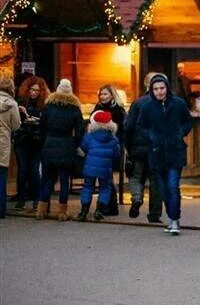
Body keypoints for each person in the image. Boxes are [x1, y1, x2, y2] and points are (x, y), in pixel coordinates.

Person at [136, 73, 193, 235]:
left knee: (173, 186)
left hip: (175, 151)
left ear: (167, 88)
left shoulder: (178, 104)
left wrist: (179, 133)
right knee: (163, 189)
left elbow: (188, 121)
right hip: (156, 153)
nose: (159, 92)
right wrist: (151, 136)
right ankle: (172, 215)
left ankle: (175, 220)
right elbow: (141, 126)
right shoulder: (147, 107)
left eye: (162, 88)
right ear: (151, 90)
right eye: (155, 89)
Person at [37, 78, 83, 221]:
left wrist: (44, 143)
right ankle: (62, 212)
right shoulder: (75, 108)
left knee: (48, 179)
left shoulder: (48, 106)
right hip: (66, 145)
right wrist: (75, 144)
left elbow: (42, 127)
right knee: (64, 180)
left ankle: (41, 211)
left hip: (49, 144)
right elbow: (80, 131)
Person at [123, 73, 164, 223]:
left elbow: (128, 126)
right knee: (156, 180)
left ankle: (137, 198)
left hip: (138, 148)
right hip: (157, 149)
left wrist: (128, 146)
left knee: (135, 176)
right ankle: (154, 214)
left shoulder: (138, 103)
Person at [75, 110, 120, 221]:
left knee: (87, 187)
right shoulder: (113, 139)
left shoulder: (89, 136)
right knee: (105, 189)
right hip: (106, 168)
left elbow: (82, 150)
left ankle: (84, 212)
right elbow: (116, 154)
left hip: (90, 167)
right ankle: (99, 210)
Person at [13, 76, 48, 213]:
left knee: (34, 170)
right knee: (22, 170)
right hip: (22, 140)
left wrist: (37, 120)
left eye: (37, 91)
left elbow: (45, 122)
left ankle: (36, 199)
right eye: (32, 90)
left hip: (36, 141)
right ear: (27, 89)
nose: (34, 93)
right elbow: (15, 122)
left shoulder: (44, 105)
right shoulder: (20, 102)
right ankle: (21, 199)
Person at [94, 84, 126, 216]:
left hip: (111, 146)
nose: (102, 97)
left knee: (105, 176)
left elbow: (122, 130)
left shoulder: (118, 110)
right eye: (101, 94)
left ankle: (106, 205)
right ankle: (109, 205)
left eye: (105, 94)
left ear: (112, 95)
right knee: (104, 176)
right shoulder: (97, 108)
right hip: (98, 146)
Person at [0, 77, 22, 218]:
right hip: (3, 143)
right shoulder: (12, 104)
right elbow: (16, 125)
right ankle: (1, 210)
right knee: (2, 177)